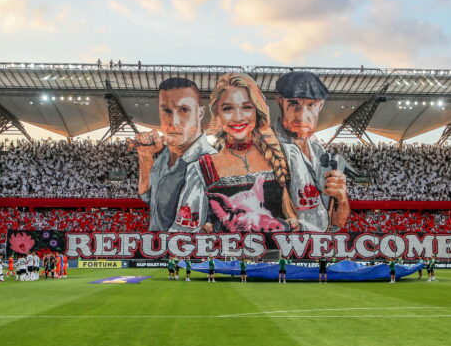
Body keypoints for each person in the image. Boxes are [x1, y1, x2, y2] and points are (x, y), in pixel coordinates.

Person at [171, 72, 315, 234]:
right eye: (228, 108)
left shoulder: (289, 157)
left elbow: (315, 220)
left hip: (279, 257)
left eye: (246, 107)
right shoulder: (202, 169)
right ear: (216, 115)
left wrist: (296, 225)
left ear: (257, 111)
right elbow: (184, 232)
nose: (238, 117)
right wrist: (206, 230)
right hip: (227, 258)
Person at [133, 78, 216, 232]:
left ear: (200, 113)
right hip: (159, 251)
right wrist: (145, 158)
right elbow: (147, 198)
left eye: (183, 110)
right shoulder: (162, 159)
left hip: (189, 254)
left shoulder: (213, 162)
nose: (173, 121)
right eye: (166, 111)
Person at [273, 71, 352, 231]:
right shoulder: (268, 147)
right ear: (280, 102)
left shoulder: (321, 152)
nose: (302, 116)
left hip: (317, 246)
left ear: (321, 105)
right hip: (285, 248)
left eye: (311, 105)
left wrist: (341, 199)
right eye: (294, 104)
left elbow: (337, 224)